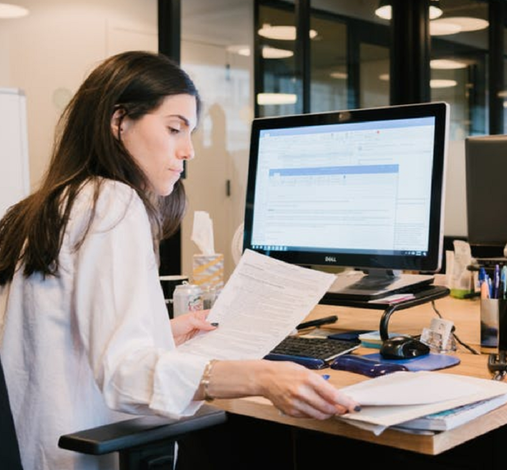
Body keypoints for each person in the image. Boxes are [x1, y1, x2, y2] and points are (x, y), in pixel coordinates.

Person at [0, 51, 358, 470]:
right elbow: (124, 374)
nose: (188, 150)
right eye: (174, 129)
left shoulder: (46, 207)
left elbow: (57, 343)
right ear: (119, 122)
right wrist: (261, 377)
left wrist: (160, 333)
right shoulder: (110, 203)